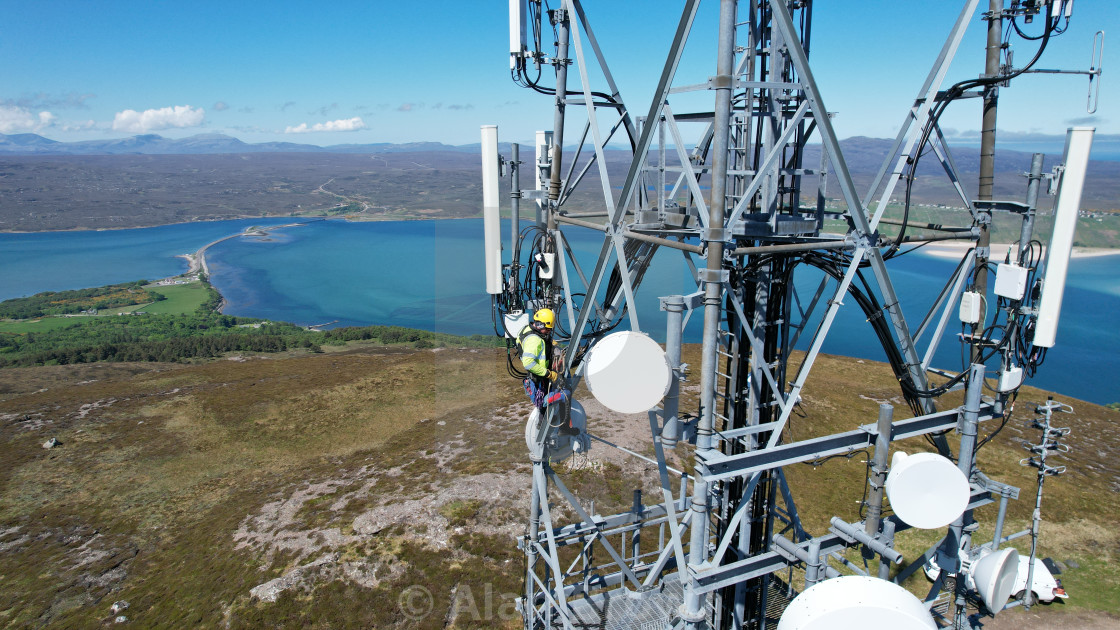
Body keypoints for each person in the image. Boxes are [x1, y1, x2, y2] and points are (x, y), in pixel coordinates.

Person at [517, 308, 577, 435]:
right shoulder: (534, 340)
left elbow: (531, 342)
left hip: (537, 377)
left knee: (544, 405)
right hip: (541, 376)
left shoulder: (527, 330)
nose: (549, 331)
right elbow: (528, 363)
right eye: (548, 329)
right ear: (539, 325)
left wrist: (552, 344)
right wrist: (549, 374)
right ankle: (563, 428)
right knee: (565, 393)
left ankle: (542, 421)